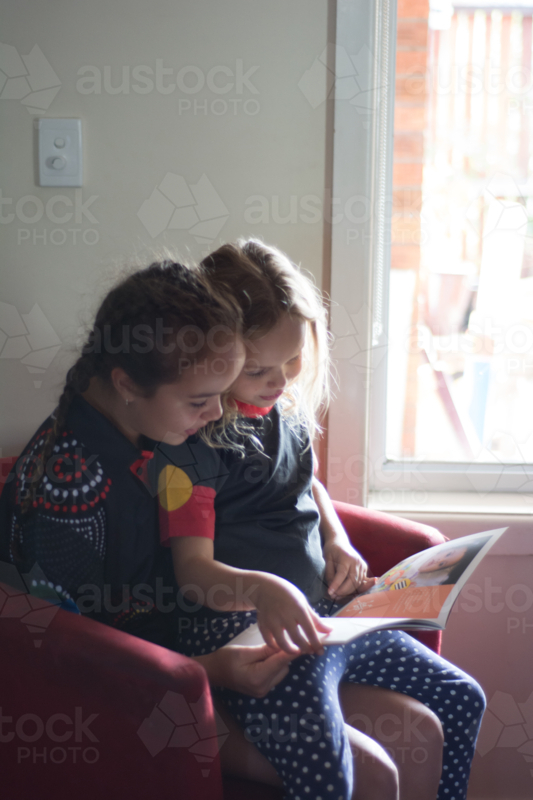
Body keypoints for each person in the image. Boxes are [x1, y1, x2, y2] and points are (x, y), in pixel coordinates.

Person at [152, 239, 486, 800]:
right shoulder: (192, 445)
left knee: (463, 698)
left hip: (330, 616)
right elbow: (193, 572)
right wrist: (267, 591)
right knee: (330, 774)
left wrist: (337, 538)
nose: (280, 380)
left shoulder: (284, 413)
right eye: (258, 369)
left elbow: (305, 483)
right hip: (253, 631)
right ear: (216, 355)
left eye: (292, 360)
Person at [0, 259, 302, 783]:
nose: (217, 414)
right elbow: (69, 662)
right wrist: (210, 670)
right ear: (126, 384)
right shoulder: (70, 486)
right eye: (200, 401)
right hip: (115, 701)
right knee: (341, 770)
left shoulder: (141, 433)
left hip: (179, 654)